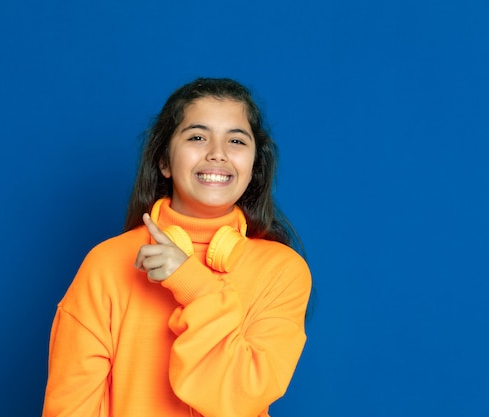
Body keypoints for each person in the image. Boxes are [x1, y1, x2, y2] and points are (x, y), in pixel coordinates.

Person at [42, 77, 312, 417]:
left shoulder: (283, 271)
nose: (217, 153)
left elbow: (240, 399)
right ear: (164, 162)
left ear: (253, 166)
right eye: (197, 137)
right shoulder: (107, 263)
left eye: (236, 141)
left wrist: (194, 286)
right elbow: (70, 408)